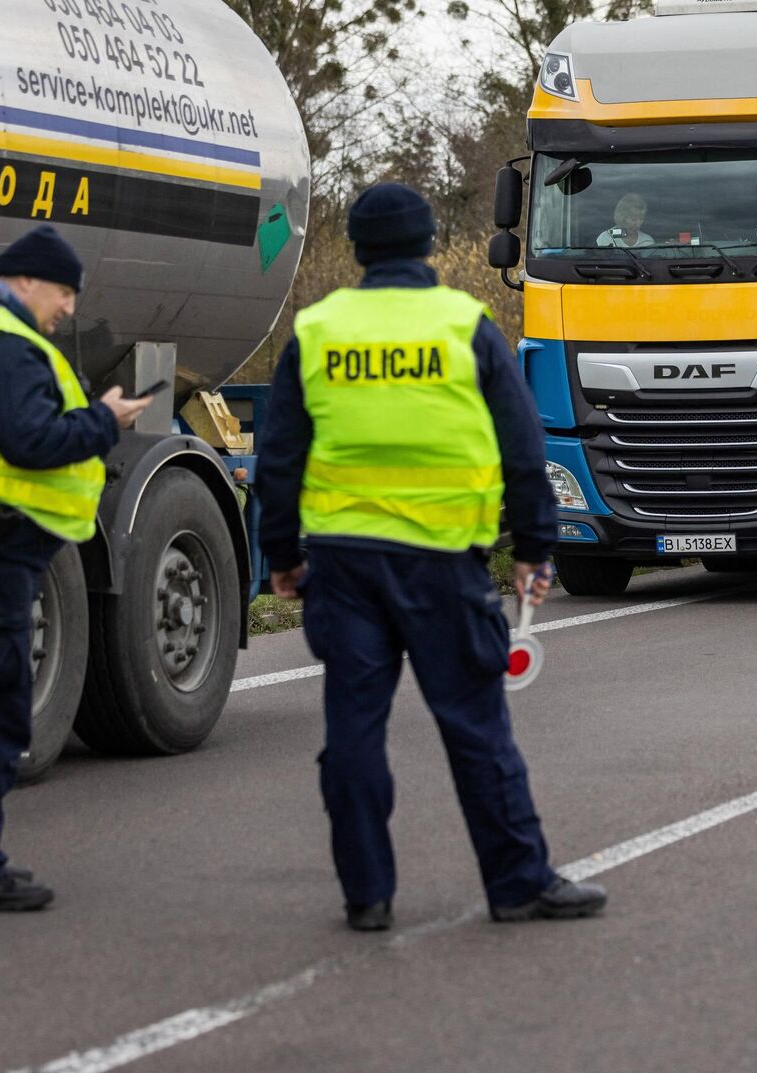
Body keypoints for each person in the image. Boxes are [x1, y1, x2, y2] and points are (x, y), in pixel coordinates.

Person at [256, 183, 608, 932]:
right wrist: (536, 549)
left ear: (358, 249)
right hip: (442, 563)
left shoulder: (318, 331)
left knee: (352, 730)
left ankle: (367, 896)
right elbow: (523, 445)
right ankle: (517, 883)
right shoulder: (464, 325)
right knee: (476, 729)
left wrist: (281, 556)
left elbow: (279, 456)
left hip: (345, 566)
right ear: (424, 246)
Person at [0, 225, 151, 912]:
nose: (70, 308)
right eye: (64, 292)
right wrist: (105, 420)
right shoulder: (3, 341)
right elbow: (32, 443)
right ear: (25, 281)